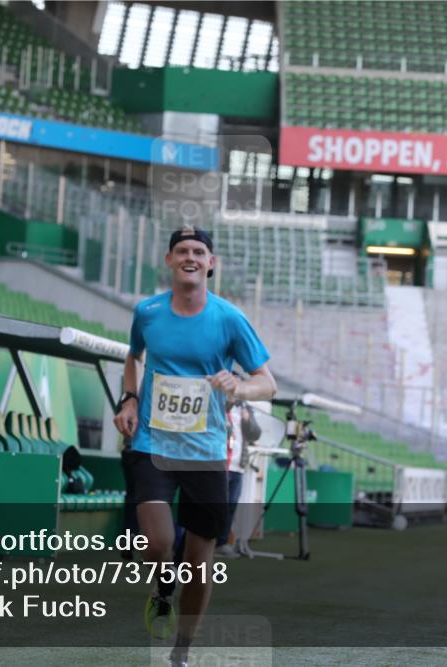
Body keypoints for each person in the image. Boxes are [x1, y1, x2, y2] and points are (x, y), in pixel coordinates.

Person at [113, 224, 277, 667]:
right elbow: (133, 356)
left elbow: (268, 384)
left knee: (200, 564)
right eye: (181, 250)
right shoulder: (148, 313)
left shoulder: (228, 318)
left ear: (211, 263)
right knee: (155, 544)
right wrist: (129, 398)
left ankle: (181, 651)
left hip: (206, 452)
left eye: (199, 251)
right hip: (152, 444)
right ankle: (162, 587)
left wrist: (239, 387)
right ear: (169, 260)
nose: (190, 256)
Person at [215, 400, 261, 558]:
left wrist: (248, 419)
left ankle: (222, 543)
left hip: (238, 466)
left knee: (231, 506)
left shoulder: (246, 407)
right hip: (221, 463)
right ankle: (208, 542)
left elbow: (255, 433)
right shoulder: (219, 401)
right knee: (216, 505)